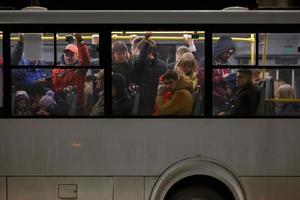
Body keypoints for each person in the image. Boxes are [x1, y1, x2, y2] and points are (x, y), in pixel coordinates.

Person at [128, 34, 167, 115]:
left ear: (139, 50)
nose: (132, 51)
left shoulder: (138, 64)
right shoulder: (163, 65)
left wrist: (145, 41)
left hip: (142, 101)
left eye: (133, 48)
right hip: (159, 100)